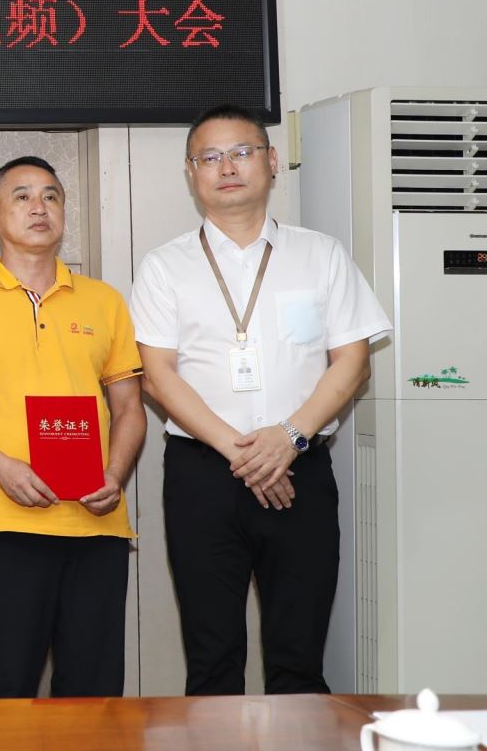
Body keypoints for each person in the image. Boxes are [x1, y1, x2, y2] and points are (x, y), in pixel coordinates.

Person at [132, 103, 389, 696]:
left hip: (300, 468)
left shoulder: (321, 255)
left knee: (298, 659)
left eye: (241, 152)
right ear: (191, 172)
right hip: (203, 474)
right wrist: (245, 453)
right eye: (209, 157)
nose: (227, 168)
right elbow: (158, 377)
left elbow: (352, 362)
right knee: (212, 659)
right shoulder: (165, 266)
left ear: (271, 161)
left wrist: (289, 438)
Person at [0, 156, 145, 698]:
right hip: (1, 523)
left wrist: (116, 474)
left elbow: (129, 408)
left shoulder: (104, 301)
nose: (39, 207)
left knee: (94, 695)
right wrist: (0, 467)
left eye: (51, 196)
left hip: (95, 524)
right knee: (8, 691)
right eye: (22, 196)